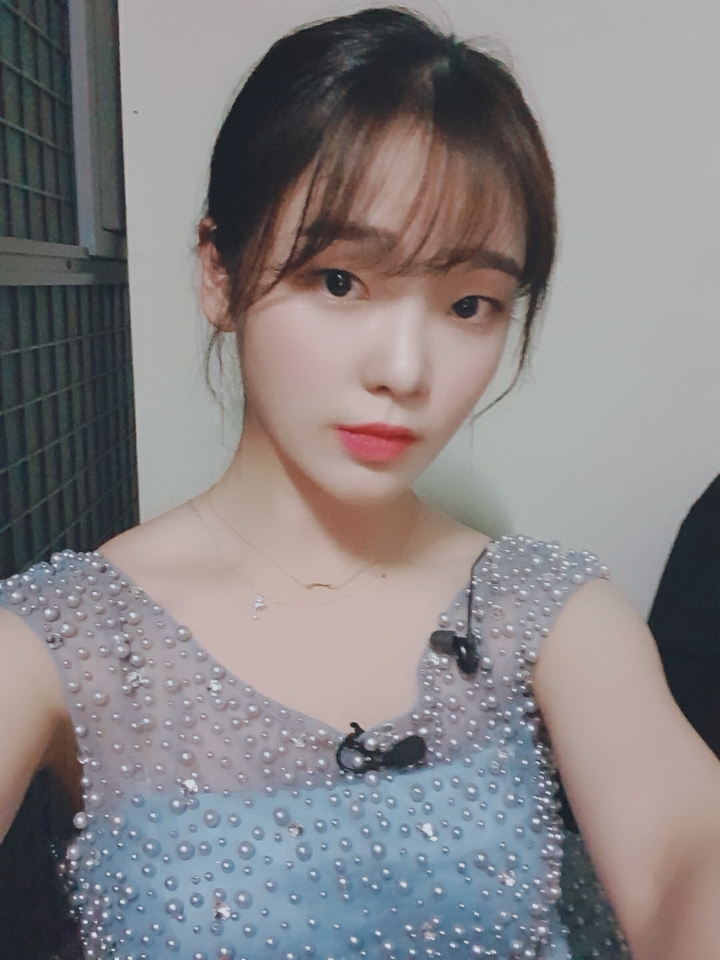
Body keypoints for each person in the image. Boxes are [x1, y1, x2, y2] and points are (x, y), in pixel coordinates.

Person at [1, 8, 720, 959]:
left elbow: (681, 855)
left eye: (470, 303)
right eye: (341, 281)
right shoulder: (64, 639)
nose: (406, 370)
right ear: (219, 273)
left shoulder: (550, 613)